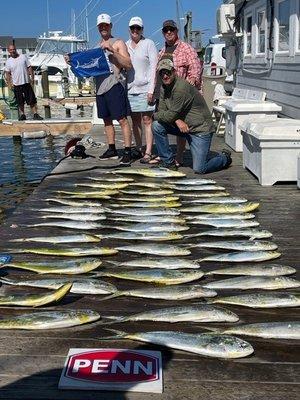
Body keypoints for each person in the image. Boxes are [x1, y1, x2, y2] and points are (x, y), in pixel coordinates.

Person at [152, 59, 232, 173]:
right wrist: (177, 120)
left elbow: (168, 115)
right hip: (184, 127)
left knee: (200, 169)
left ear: (174, 71)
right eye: (162, 73)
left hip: (200, 129)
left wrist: (155, 115)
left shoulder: (180, 88)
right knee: (157, 126)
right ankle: (168, 162)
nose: (165, 76)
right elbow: (163, 111)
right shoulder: (163, 88)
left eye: (167, 72)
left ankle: (224, 158)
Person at [151, 19, 203, 166]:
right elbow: (158, 75)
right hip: (164, 96)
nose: (168, 32)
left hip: (181, 97)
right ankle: (166, 156)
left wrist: (190, 84)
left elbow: (195, 70)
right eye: (166, 30)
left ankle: (179, 156)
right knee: (159, 123)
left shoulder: (186, 48)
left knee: (182, 125)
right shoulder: (161, 51)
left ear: (176, 31)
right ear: (163, 32)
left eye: (171, 30)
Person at [95, 13, 137, 164]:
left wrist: (112, 50)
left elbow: (128, 64)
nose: (104, 28)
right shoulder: (96, 45)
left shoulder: (118, 42)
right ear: (98, 28)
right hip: (100, 88)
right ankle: (112, 149)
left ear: (111, 26)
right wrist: (71, 62)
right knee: (106, 120)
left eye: (106, 25)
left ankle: (127, 150)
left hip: (114, 85)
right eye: (101, 26)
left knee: (122, 119)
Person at [126, 16, 158, 164]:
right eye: (133, 28)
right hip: (130, 89)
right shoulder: (125, 45)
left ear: (142, 29)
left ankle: (148, 152)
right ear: (129, 29)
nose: (135, 30)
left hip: (145, 88)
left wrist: (151, 89)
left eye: (138, 28)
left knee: (147, 120)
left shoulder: (149, 44)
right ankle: (139, 148)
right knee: (135, 121)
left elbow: (153, 68)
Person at [4, 44, 43, 121]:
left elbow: (29, 67)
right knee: (20, 101)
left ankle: (35, 114)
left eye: (14, 49)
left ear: (16, 49)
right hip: (16, 84)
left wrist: (32, 77)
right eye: (11, 50)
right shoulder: (8, 62)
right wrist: (9, 84)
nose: (13, 51)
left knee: (31, 100)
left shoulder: (23, 57)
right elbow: (7, 73)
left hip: (26, 82)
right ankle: (23, 115)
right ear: (9, 51)